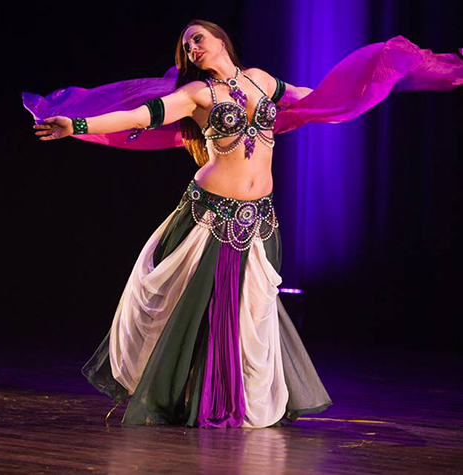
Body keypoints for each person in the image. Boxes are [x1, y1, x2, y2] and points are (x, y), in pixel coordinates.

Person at [28, 19, 463, 429]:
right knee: (197, 310)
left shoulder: (261, 80)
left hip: (258, 216)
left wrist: (370, 90)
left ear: (221, 39)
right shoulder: (197, 94)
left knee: (247, 314)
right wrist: (77, 125)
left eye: (198, 38)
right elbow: (141, 116)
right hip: (209, 213)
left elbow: (309, 97)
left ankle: (226, 399)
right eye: (186, 46)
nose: (192, 48)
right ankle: (187, 398)